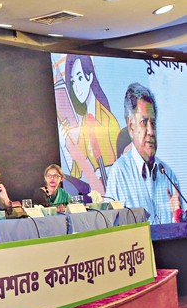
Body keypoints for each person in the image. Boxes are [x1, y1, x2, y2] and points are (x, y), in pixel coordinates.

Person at [105, 83, 184, 224]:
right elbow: (110, 226)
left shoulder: (168, 175)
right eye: (144, 122)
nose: (151, 131)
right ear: (131, 126)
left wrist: (177, 218)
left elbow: (180, 228)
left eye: (153, 123)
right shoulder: (119, 173)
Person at [58, 54, 120, 192]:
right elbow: (77, 171)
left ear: (90, 77)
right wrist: (65, 144)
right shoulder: (84, 122)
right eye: (73, 82)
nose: (76, 88)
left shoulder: (107, 120)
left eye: (80, 78)